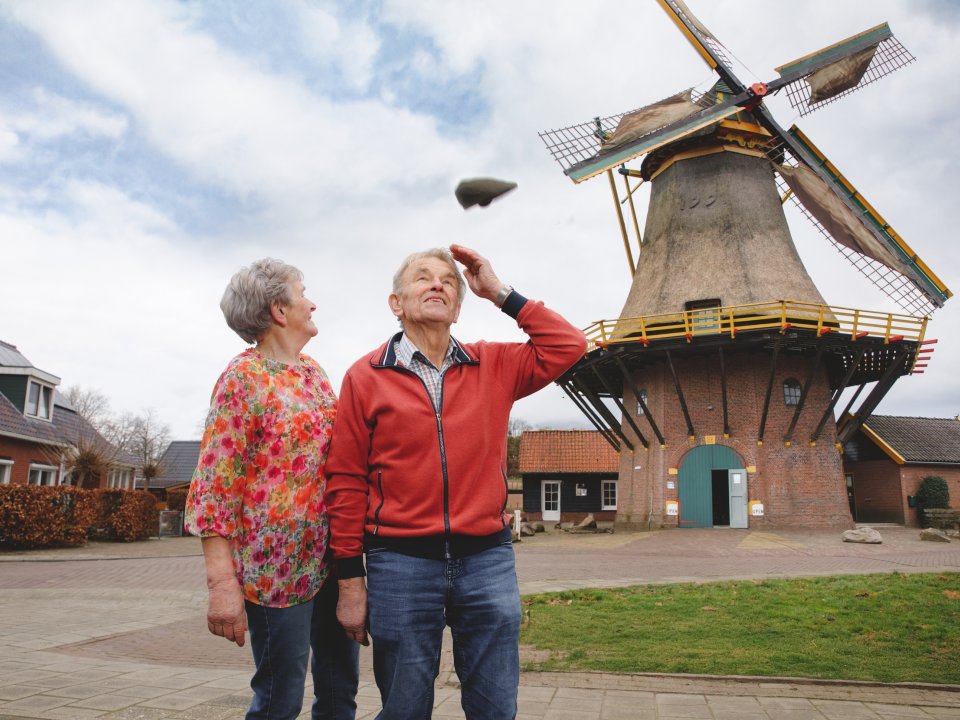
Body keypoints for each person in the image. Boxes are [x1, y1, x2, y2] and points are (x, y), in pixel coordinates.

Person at [325, 244, 586, 719]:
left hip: (486, 561)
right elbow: (345, 481)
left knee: (495, 707)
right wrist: (350, 582)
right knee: (404, 708)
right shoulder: (365, 377)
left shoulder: (495, 364)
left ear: (459, 309)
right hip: (399, 563)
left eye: (448, 280)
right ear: (396, 303)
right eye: (423, 277)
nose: (438, 283)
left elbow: (569, 346)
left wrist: (500, 293)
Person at [184, 258, 359, 720]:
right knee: (280, 699)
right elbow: (213, 487)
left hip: (331, 561)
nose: (312, 303)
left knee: (340, 691)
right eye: (303, 294)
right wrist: (221, 584)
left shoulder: (315, 374)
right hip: (273, 573)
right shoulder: (242, 378)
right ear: (279, 311)